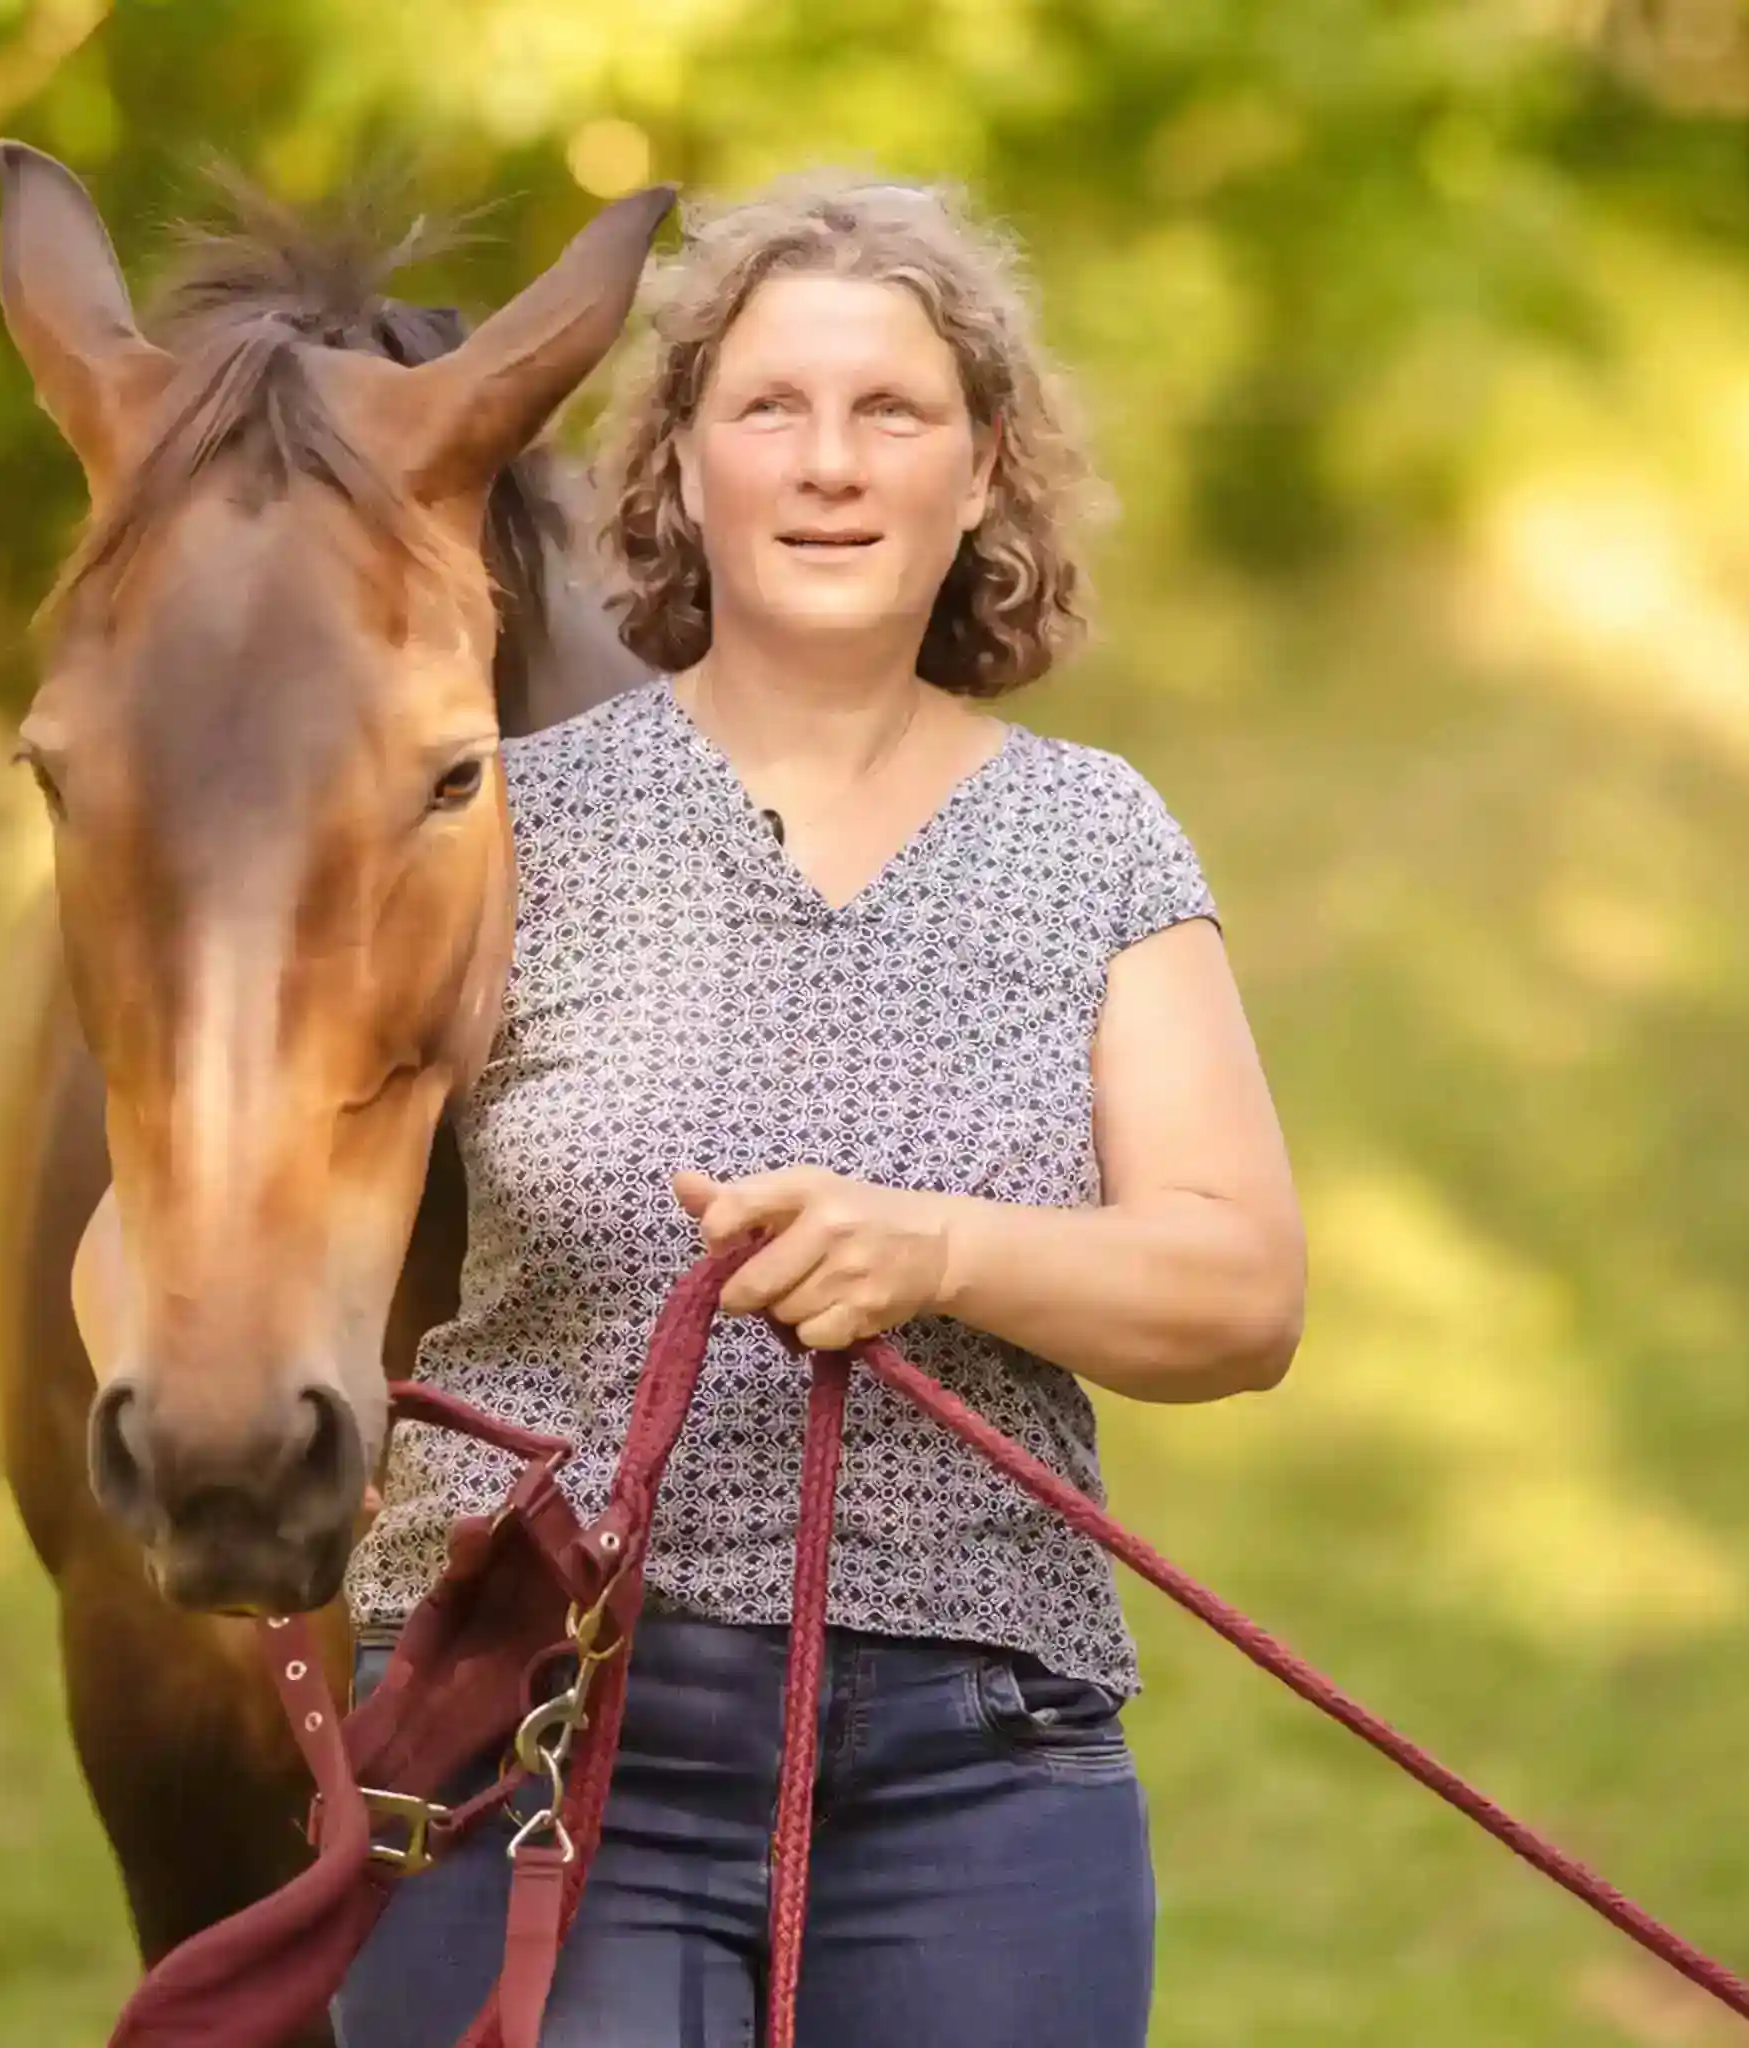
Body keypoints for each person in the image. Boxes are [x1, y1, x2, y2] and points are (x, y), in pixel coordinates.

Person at [337, 172, 1307, 2048]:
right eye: (770, 409)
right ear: (684, 467)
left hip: (986, 1766)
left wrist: (933, 1250)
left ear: (983, 467)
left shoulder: (1093, 837)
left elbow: (1239, 1291)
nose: (832, 465)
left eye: (894, 413)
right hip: (538, 1736)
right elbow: (259, 1190)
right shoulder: (503, 826)